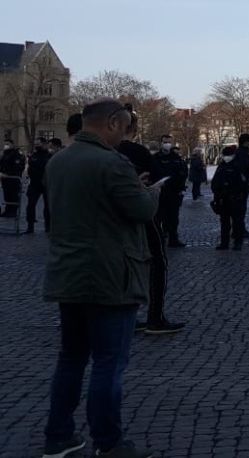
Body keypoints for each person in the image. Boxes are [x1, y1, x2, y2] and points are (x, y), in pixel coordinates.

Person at [42, 98, 161, 458]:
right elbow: (140, 211)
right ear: (111, 122)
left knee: (71, 358)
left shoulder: (59, 159)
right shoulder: (112, 162)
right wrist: (149, 192)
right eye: (125, 129)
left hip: (69, 272)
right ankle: (109, 443)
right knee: (109, 363)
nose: (125, 137)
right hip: (110, 274)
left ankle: (59, 436)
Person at [114, 114, 183, 336]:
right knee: (157, 261)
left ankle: (120, 314)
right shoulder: (137, 151)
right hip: (143, 211)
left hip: (110, 217)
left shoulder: (102, 152)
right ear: (132, 129)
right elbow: (160, 177)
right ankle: (155, 317)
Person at [150, 134, 189, 248]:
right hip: (160, 193)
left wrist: (179, 184)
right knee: (158, 218)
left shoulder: (176, 158)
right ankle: (158, 239)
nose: (167, 144)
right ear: (160, 143)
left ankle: (173, 239)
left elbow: (183, 172)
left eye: (169, 142)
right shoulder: (156, 158)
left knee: (173, 218)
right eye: (165, 142)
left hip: (174, 193)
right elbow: (153, 173)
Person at [210, 146, 249, 251]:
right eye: (225, 155)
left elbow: (242, 184)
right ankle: (224, 243)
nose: (226, 157)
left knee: (237, 222)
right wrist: (217, 193)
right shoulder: (221, 166)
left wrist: (231, 191)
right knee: (224, 223)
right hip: (223, 199)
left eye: (228, 155)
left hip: (235, 198)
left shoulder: (238, 166)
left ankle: (238, 242)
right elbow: (215, 182)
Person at [24, 136, 51, 233]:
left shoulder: (49, 156)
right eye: (35, 144)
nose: (36, 146)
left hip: (46, 184)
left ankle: (48, 227)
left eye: (38, 144)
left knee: (48, 206)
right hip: (34, 183)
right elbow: (30, 169)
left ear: (44, 144)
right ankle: (30, 226)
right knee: (30, 205)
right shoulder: (34, 155)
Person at [0, 138, 25, 218]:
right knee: (7, 196)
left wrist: (8, 173)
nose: (6, 146)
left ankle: (13, 211)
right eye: (5, 144)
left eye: (8, 144)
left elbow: (18, 167)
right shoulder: (5, 154)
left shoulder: (16, 154)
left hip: (13, 179)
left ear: (12, 144)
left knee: (13, 196)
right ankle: (8, 210)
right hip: (5, 179)